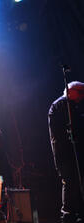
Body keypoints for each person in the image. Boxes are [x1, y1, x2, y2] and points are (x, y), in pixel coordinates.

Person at [49, 81, 84, 223]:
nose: (82, 96)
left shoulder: (69, 105)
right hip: (66, 155)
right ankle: (67, 216)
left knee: (74, 183)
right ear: (71, 90)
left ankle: (74, 214)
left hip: (69, 154)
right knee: (70, 183)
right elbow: (72, 127)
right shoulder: (62, 104)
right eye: (80, 92)